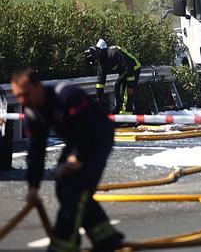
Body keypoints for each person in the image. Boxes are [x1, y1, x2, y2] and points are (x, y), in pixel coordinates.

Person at [10, 68, 124, 251]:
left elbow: (88, 129)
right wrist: (33, 186)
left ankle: (63, 244)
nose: (22, 100)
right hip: (76, 140)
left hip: (98, 135)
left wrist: (77, 158)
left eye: (25, 94)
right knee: (62, 184)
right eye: (18, 96)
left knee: (76, 187)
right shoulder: (32, 112)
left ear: (37, 87)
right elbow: (36, 151)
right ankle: (107, 239)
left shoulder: (66, 95)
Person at [85, 39, 141, 115]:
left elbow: (128, 67)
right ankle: (119, 109)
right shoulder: (101, 61)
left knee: (126, 92)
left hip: (133, 68)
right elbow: (100, 81)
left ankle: (127, 116)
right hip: (124, 70)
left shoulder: (113, 53)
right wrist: (98, 100)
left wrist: (130, 85)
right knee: (117, 87)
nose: (96, 64)